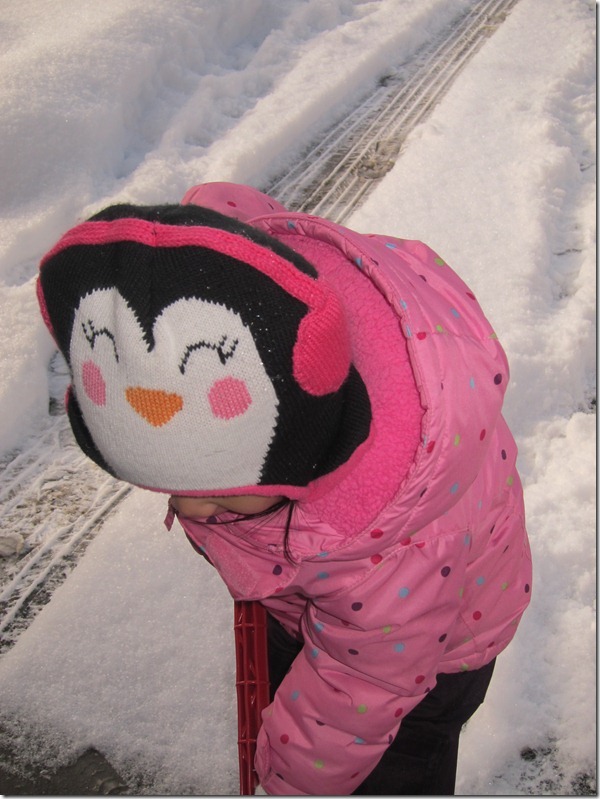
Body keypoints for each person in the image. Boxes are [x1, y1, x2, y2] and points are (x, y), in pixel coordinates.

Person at [37, 181, 532, 796]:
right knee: (301, 681)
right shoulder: (266, 324)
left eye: (218, 489)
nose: (190, 509)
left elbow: (360, 689)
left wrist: (291, 783)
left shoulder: (384, 554)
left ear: (303, 450)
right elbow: (233, 226)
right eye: (170, 485)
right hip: (323, 599)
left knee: (390, 769)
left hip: (427, 655)